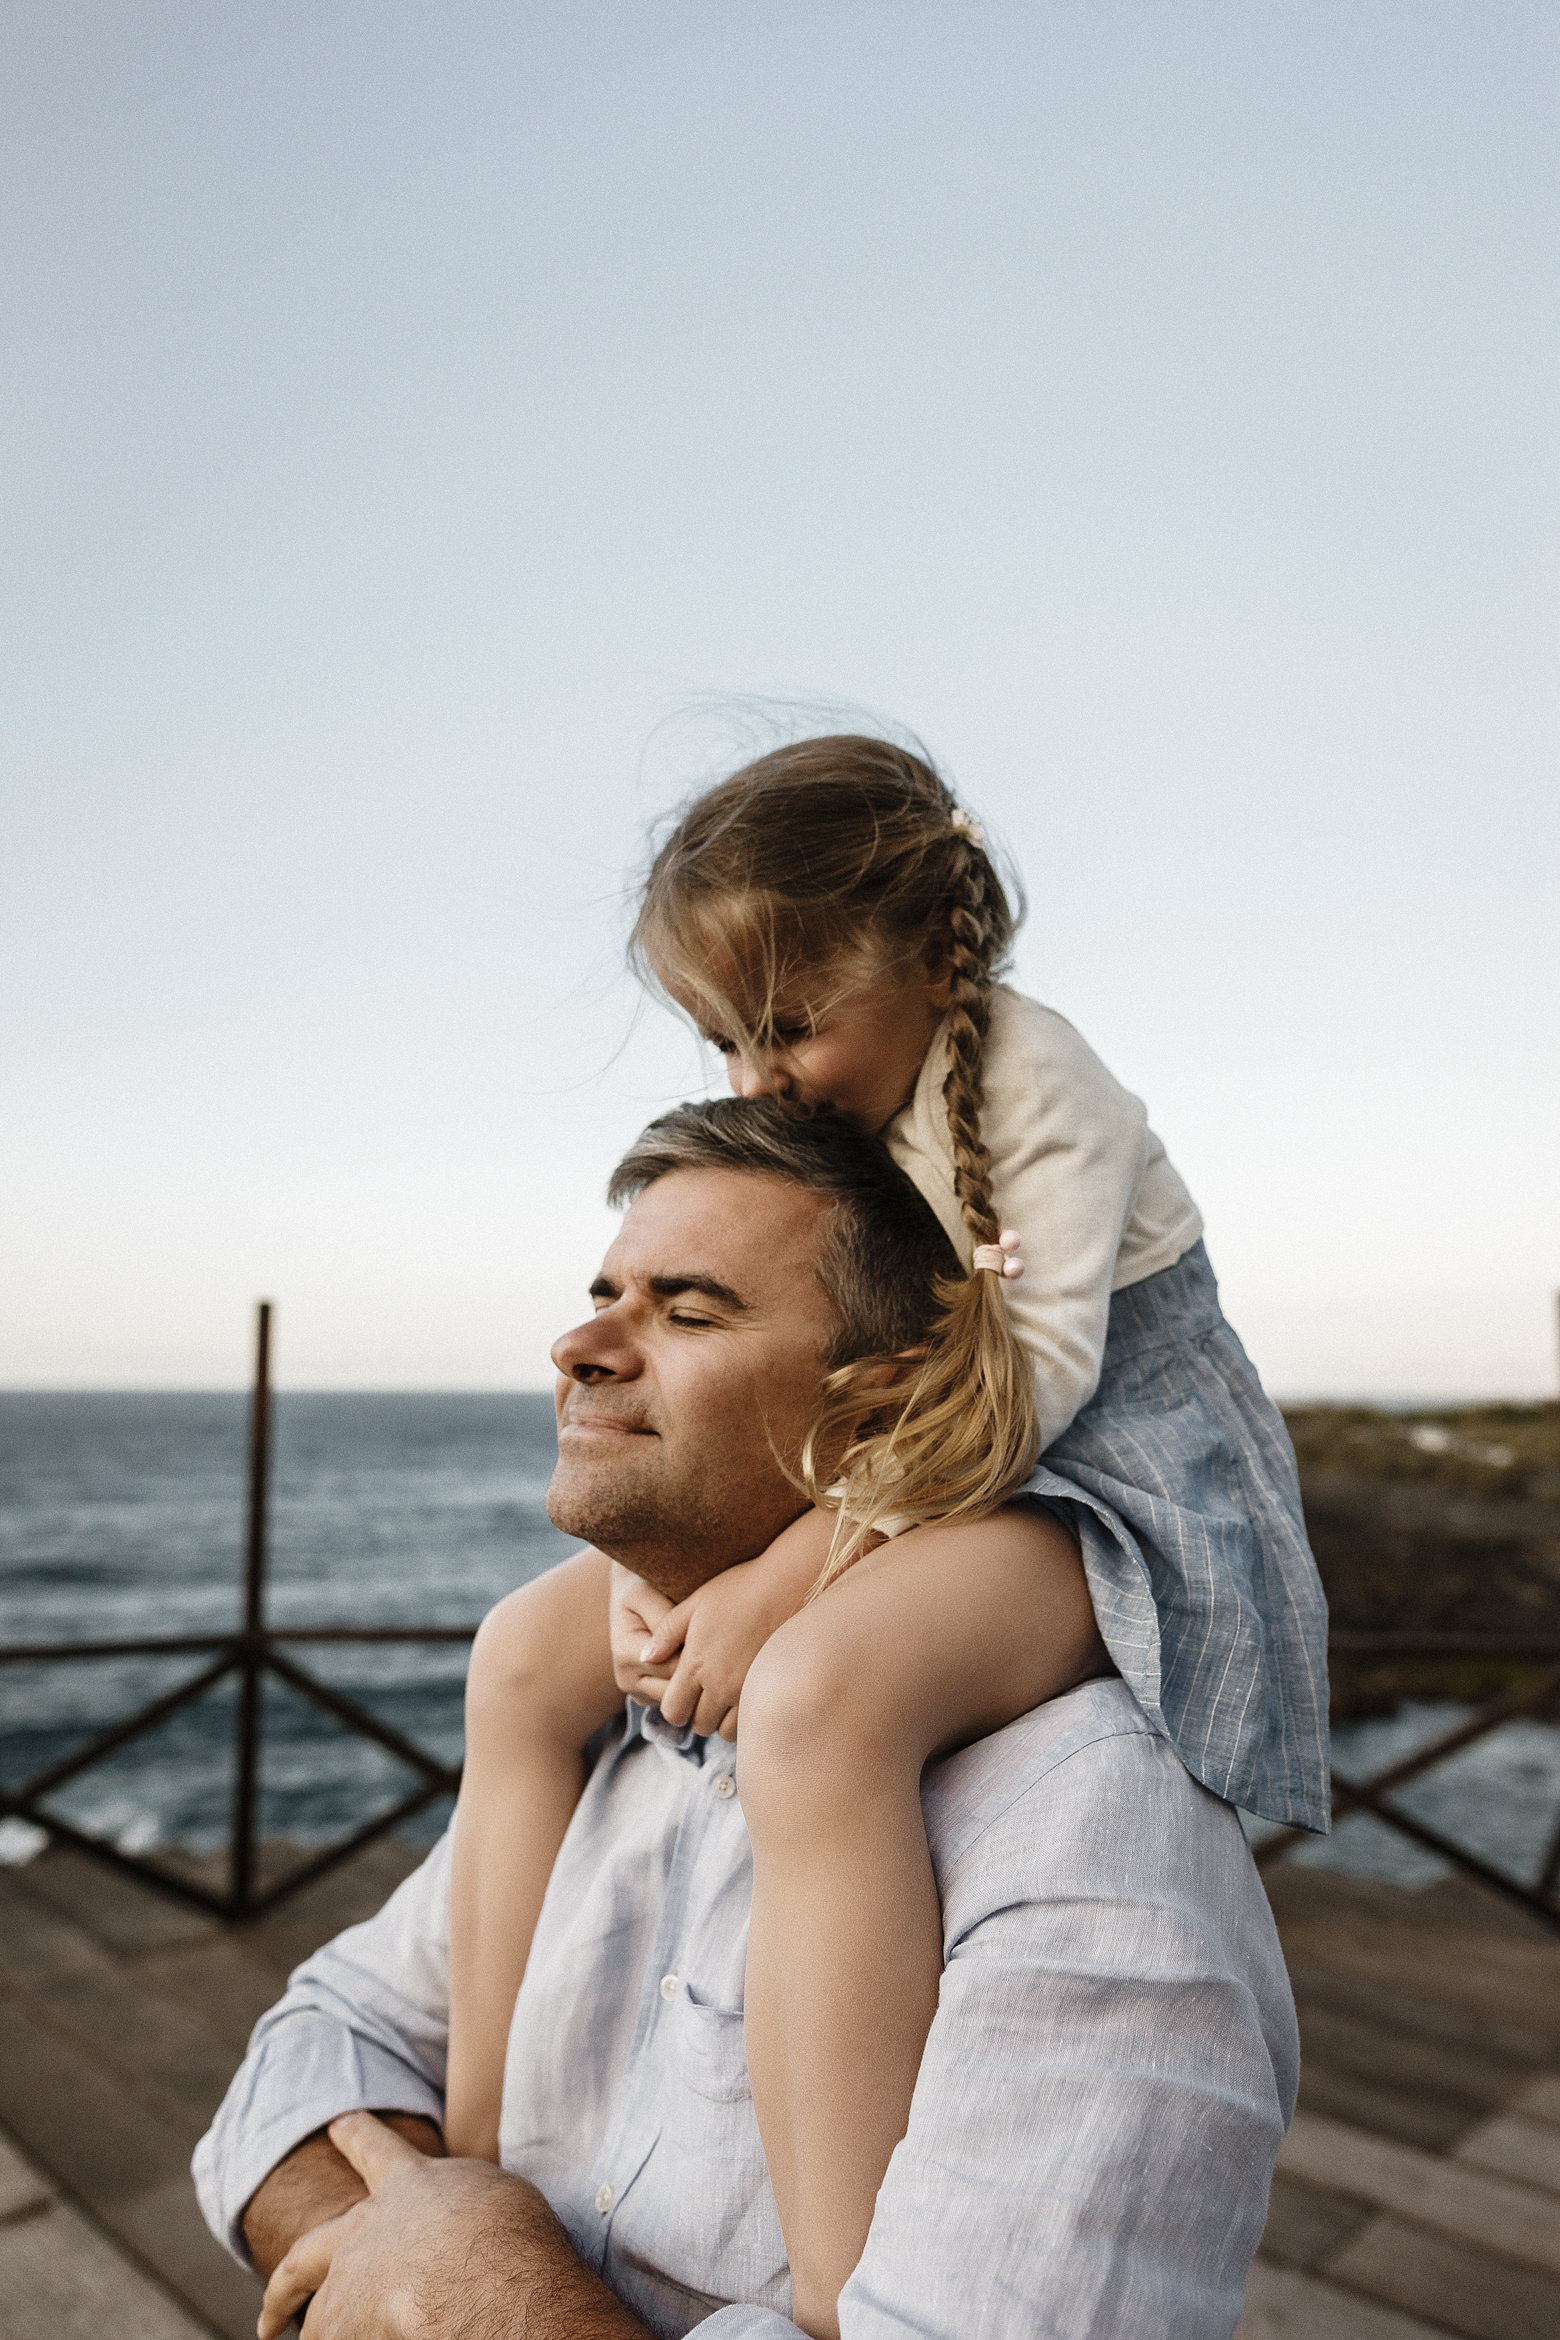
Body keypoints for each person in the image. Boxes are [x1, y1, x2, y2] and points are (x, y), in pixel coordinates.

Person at [445, 737, 1328, 2333]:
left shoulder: (1037, 1088)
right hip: (932, 1470)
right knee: (522, 1655)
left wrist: (785, 1573)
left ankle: (849, 2287)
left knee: (817, 1701)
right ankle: (469, 2155)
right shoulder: (859, 1096)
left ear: (935, 954)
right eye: (725, 1039)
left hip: (1107, 1487)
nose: (758, 1078)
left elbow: (1021, 1395)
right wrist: (674, 1584)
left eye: (788, 1026)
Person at [193, 1099, 1300, 2340]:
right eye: (605, 1293)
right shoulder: (610, 1739)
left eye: (688, 1309)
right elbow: (307, 2056)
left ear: (877, 1406)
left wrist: (464, 2289)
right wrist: (387, 2245)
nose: (580, 1344)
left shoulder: (1093, 1842)